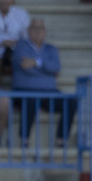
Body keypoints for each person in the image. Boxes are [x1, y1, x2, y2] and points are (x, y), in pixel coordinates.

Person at [12, 18, 75, 147]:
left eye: (41, 28)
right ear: (28, 31)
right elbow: (26, 68)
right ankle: (24, 140)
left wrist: (36, 62)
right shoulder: (20, 46)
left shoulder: (51, 49)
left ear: (45, 31)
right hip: (25, 90)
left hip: (49, 92)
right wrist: (46, 69)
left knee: (71, 102)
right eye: (34, 28)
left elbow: (56, 68)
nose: (38, 31)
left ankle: (61, 140)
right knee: (30, 100)